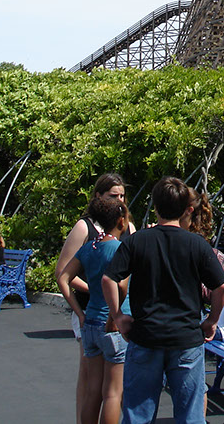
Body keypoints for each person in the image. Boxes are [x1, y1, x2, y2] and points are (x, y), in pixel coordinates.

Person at [102, 176, 224, 424]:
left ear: (156, 207)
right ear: (186, 210)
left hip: (146, 336)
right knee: (190, 415)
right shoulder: (197, 244)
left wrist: (118, 315)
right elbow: (221, 287)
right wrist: (212, 320)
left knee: (137, 413)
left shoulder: (138, 240)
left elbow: (109, 279)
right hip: (185, 339)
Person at [56, 174, 133, 424]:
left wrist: (81, 312)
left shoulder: (91, 247)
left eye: (122, 196)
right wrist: (115, 314)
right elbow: (120, 285)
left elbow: (63, 278)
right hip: (111, 323)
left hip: (90, 320)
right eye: (114, 197)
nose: (119, 201)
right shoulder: (111, 244)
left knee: (92, 388)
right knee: (113, 393)